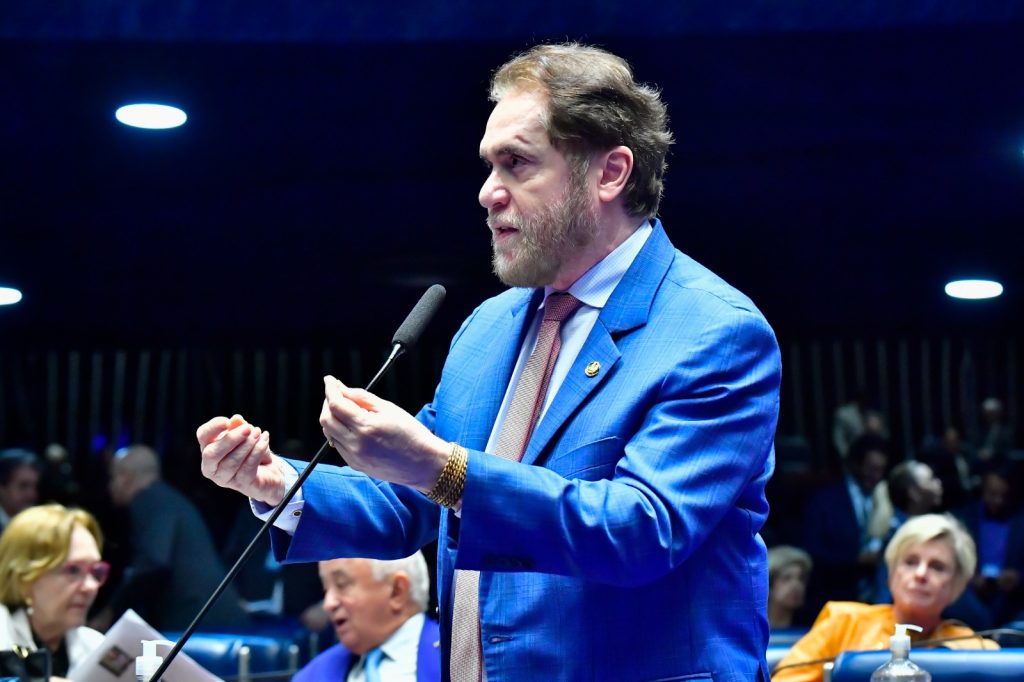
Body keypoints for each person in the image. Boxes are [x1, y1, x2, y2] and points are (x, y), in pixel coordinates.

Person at [198, 42, 781, 681]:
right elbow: (411, 498)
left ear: (610, 173)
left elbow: (642, 531)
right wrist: (279, 485)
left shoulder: (714, 332)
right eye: (488, 166)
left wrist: (442, 468)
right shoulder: (489, 328)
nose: (486, 193)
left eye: (516, 163)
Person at [772, 514, 998, 682]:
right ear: (891, 573)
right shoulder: (844, 622)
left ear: (957, 585)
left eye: (937, 567)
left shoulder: (974, 649)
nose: (920, 574)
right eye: (910, 562)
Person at [94, 444, 248, 631]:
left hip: (198, 620)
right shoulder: (168, 499)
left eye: (112, 478)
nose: (110, 487)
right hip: (217, 615)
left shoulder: (147, 500)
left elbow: (153, 561)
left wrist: (111, 611)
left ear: (125, 478)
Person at [0, 504, 108, 680]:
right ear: (25, 577)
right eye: (73, 570)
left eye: (95, 571)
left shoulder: (95, 646)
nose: (91, 586)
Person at [295, 552, 440, 681]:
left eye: (341, 584)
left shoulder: (450, 659)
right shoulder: (311, 675)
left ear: (397, 591)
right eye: (326, 589)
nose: (328, 604)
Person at [802, 434, 889, 610]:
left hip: (879, 597)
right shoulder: (825, 500)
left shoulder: (886, 496)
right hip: (836, 594)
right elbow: (813, 552)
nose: (876, 476)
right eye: (871, 469)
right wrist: (856, 560)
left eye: (881, 470)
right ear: (855, 465)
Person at [768, 546, 813, 630]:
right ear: (769, 584)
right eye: (786, 578)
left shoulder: (812, 626)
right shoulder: (752, 628)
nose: (796, 585)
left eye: (801, 578)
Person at [0, 448, 41, 533]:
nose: (32, 494)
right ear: (2, 488)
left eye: (35, 486)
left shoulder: (38, 526)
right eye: (23, 486)